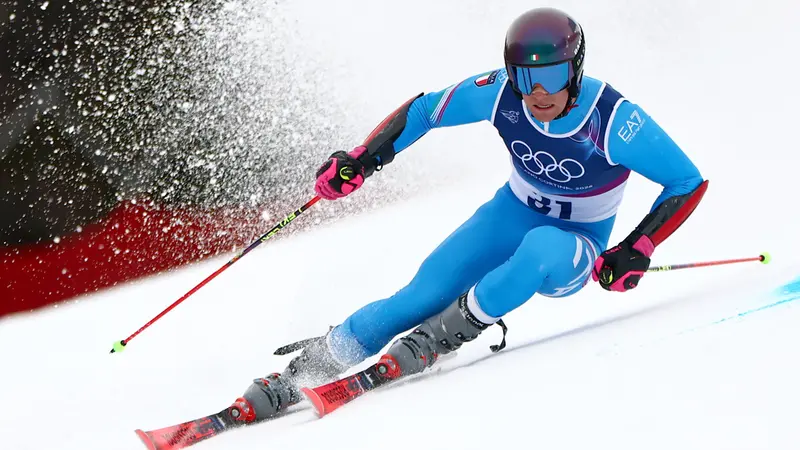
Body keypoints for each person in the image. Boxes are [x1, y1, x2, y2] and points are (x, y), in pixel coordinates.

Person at [226, 7, 707, 423]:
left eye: (554, 77)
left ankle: (444, 335)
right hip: (510, 213)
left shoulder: (614, 119)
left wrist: (638, 246)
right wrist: (363, 158)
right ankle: (309, 369)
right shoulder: (500, 93)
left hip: (573, 246)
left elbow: (687, 181)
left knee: (539, 248)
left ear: (576, 70)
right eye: (524, 77)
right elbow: (422, 112)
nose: (538, 93)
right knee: (420, 295)